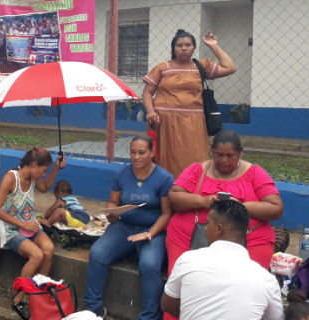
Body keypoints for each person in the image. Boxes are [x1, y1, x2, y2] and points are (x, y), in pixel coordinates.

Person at [166, 129, 283, 276]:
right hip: (189, 239)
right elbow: (174, 196)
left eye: (230, 156)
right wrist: (203, 201)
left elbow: (276, 208)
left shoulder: (254, 173)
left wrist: (240, 207)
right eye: (219, 155)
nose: (224, 160)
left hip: (250, 241)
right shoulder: (197, 169)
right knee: (185, 279)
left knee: (244, 281)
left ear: (240, 152)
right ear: (212, 151)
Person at [84, 135, 174, 320]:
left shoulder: (164, 178)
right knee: (97, 253)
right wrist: (112, 212)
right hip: (124, 226)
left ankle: (149, 316)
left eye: (141, 152)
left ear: (152, 152)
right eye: (132, 152)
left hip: (151, 229)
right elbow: (112, 201)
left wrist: (150, 233)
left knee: (149, 265)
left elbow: (167, 213)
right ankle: (93, 310)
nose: (136, 157)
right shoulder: (122, 174)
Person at [161, 200, 284, 320]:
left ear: (219, 229)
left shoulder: (187, 260)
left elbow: (168, 305)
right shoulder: (266, 280)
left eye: (207, 223)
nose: (204, 229)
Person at [142, 29, 236, 178]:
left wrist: (213, 45)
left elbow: (229, 67)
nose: (184, 48)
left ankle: (191, 192)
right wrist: (151, 111)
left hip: (193, 123)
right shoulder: (162, 67)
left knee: (195, 157)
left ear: (194, 47)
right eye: (180, 45)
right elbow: (147, 93)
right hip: (164, 122)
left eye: (188, 45)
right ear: (174, 48)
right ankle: (168, 193)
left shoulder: (202, 66)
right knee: (166, 158)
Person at [0, 147, 65, 319]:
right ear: (34, 164)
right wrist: (21, 223)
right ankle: (19, 297)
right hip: (13, 230)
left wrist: (55, 168)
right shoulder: (11, 178)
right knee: (37, 255)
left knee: (49, 249)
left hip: (31, 227)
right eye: (43, 170)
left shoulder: (33, 177)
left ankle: (38, 294)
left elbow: (45, 187)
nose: (43, 174)